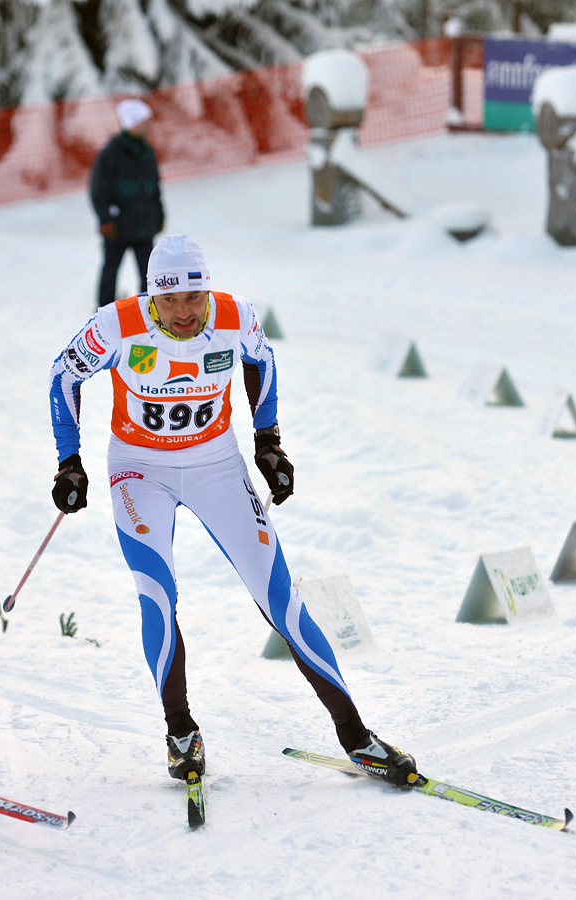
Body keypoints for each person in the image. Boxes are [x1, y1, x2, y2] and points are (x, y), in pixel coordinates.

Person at [49, 234, 417, 786]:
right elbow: (64, 374)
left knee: (281, 600)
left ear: (208, 290)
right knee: (157, 595)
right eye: (169, 300)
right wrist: (68, 461)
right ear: (151, 296)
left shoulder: (234, 316)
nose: (183, 312)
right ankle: (180, 731)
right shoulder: (115, 324)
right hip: (138, 470)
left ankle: (356, 737)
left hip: (216, 464)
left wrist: (268, 442)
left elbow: (261, 361)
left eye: (193, 298)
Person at [90, 98, 164, 308]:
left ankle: (148, 310)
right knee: (110, 270)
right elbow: (98, 190)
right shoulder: (110, 154)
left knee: (149, 273)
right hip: (117, 227)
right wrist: (106, 219)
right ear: (132, 123)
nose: (148, 126)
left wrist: (159, 215)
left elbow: (155, 189)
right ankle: (104, 311)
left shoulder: (148, 152)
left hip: (144, 227)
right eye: (144, 122)